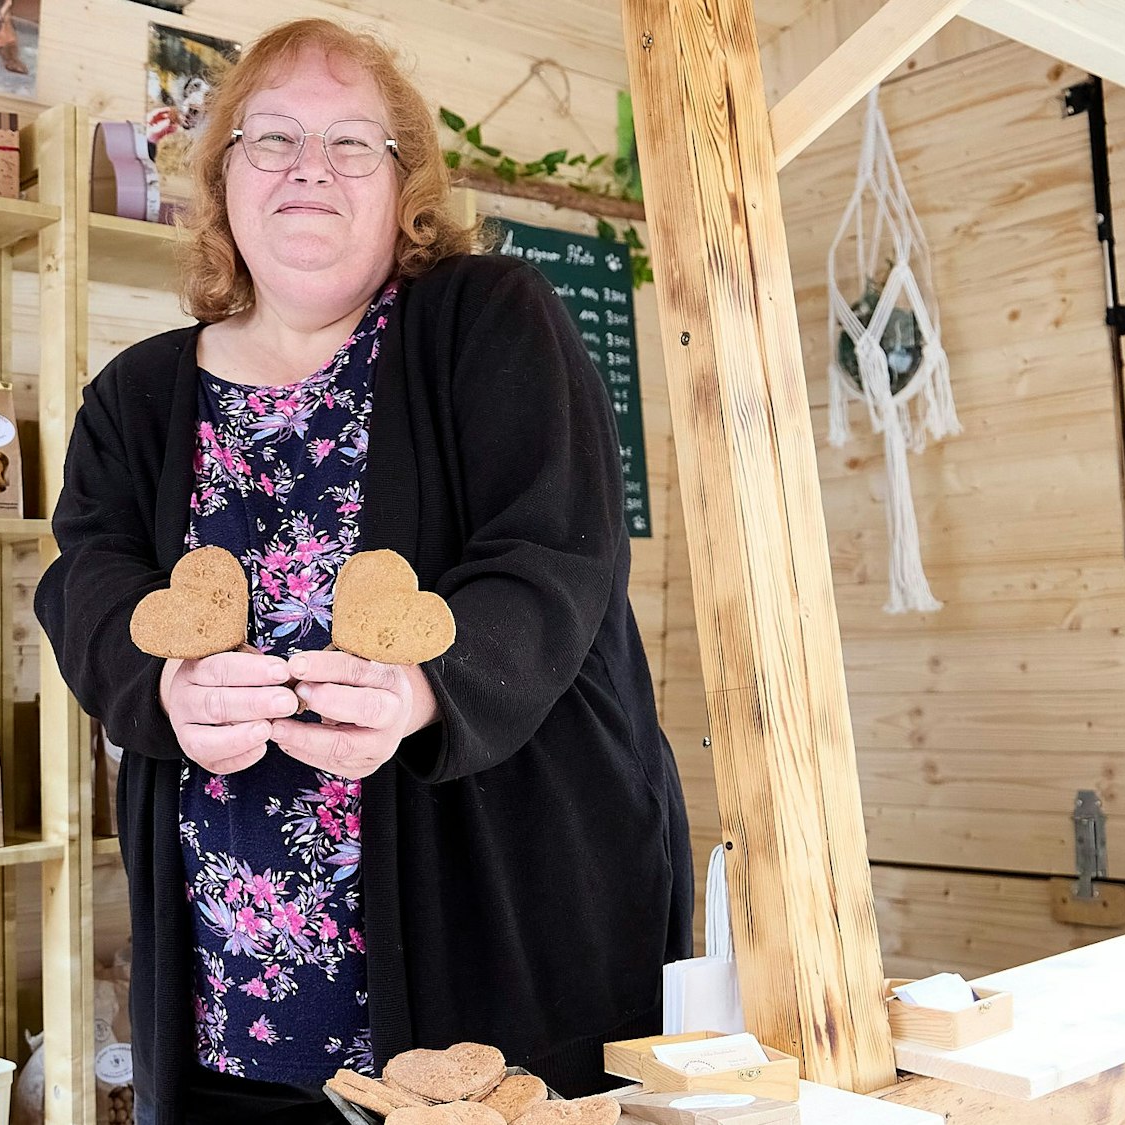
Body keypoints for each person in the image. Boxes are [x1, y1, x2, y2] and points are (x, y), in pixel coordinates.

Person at [35, 18, 693, 1124]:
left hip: (499, 925)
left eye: (351, 145)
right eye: (272, 138)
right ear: (223, 175)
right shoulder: (136, 396)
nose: (308, 168)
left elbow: (553, 554)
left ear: (403, 189)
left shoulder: (487, 318)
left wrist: (425, 687)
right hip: (236, 985)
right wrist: (160, 691)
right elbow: (85, 575)